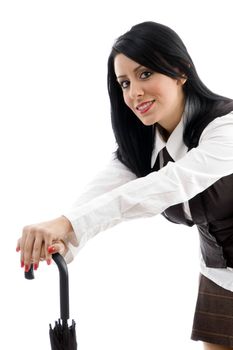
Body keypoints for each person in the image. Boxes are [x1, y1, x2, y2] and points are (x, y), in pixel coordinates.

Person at [16, 21, 233, 349]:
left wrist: (68, 225)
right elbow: (101, 195)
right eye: (124, 82)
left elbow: (171, 184)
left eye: (145, 74)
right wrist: (66, 240)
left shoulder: (226, 127)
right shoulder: (142, 145)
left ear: (181, 71)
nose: (134, 93)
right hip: (219, 272)